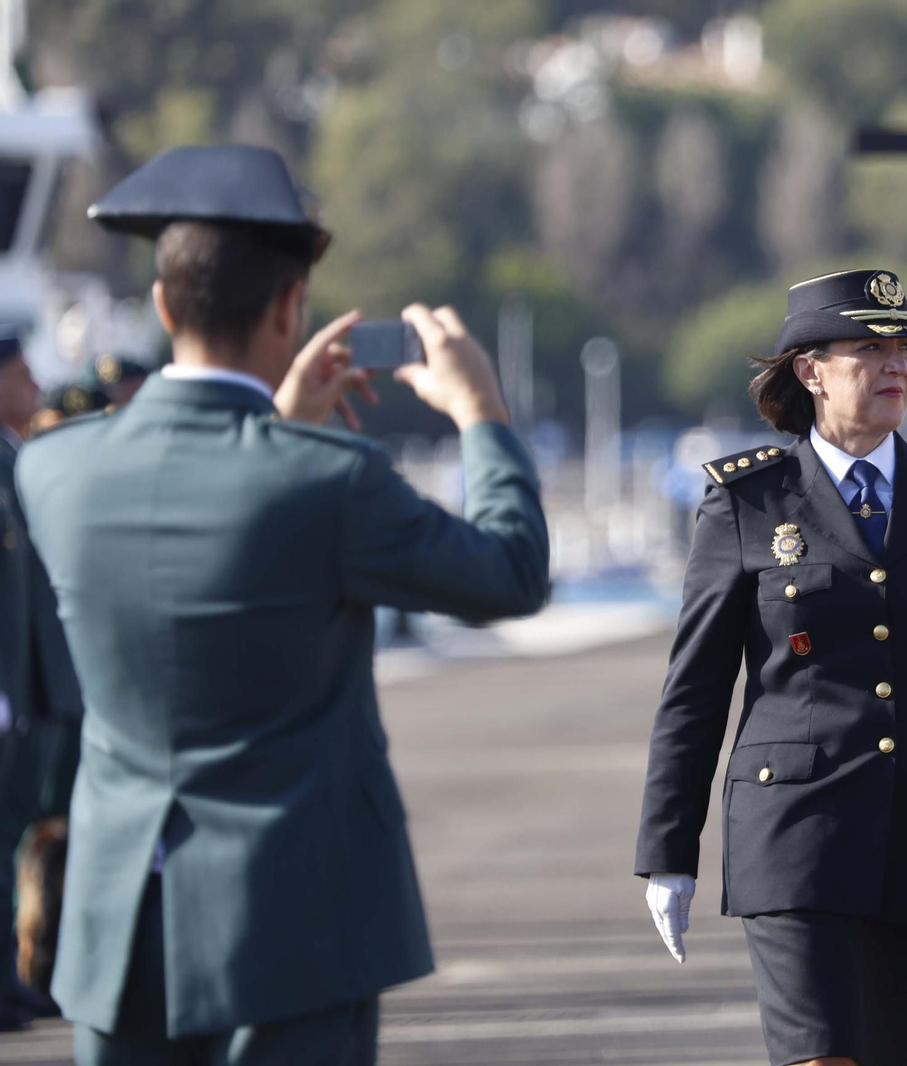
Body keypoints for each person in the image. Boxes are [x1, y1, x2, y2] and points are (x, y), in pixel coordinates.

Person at [17, 144, 552, 1064]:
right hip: (294, 931)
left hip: (119, 926)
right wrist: (482, 418)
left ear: (160, 305)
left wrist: (277, 432)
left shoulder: (50, 468)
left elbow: (207, 502)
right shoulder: (331, 483)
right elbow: (508, 571)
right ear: (289, 308)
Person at [634, 269, 907, 1066]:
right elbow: (694, 691)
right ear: (811, 371)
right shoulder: (748, 503)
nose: (895, 365)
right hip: (795, 835)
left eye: (902, 348)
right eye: (870, 348)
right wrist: (669, 849)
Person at [0, 332, 82, 1031]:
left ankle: (10, 977)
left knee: (15, 837)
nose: (34, 386)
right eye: (20, 374)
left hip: (32, 689)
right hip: (11, 688)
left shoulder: (17, 459)